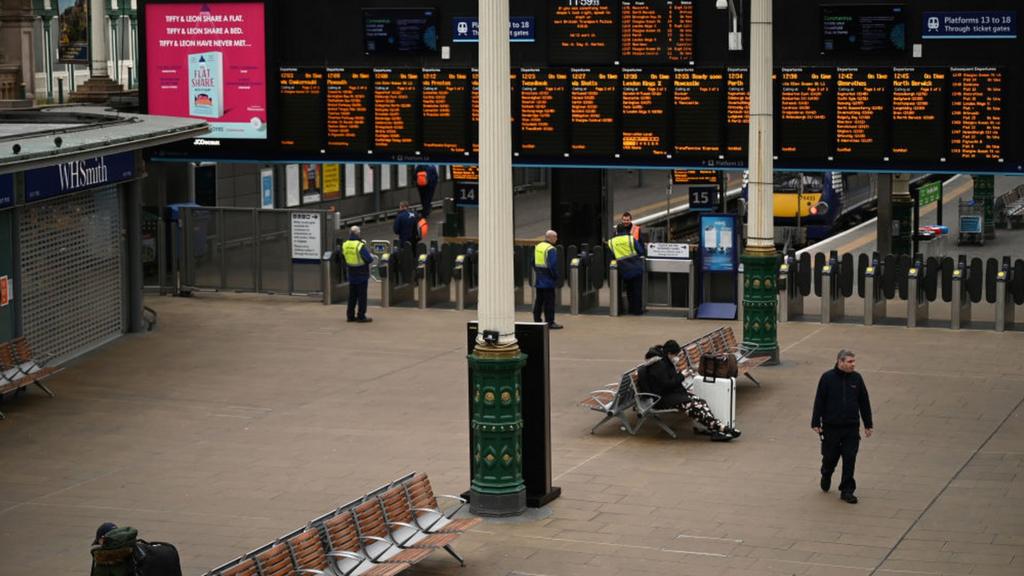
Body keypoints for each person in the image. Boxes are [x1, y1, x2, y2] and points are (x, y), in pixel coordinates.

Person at [641, 340, 741, 442]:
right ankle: (721, 428)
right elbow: (666, 385)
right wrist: (682, 376)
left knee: (701, 402)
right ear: (669, 353)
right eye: (676, 355)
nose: (677, 358)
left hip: (672, 394)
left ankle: (714, 429)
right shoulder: (658, 365)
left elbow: (670, 381)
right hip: (662, 399)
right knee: (694, 406)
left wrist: (680, 375)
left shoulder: (664, 361)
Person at [812, 349, 873, 504]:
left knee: (849, 458)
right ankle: (826, 473)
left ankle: (847, 490)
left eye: (854, 361)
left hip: (851, 427)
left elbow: (864, 401)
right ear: (840, 362)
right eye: (850, 362)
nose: (853, 364)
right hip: (831, 427)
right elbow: (819, 400)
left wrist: (868, 424)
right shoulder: (827, 378)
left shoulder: (857, 379)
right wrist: (815, 422)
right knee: (830, 458)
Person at [608, 225, 645, 315]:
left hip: (624, 269)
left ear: (616, 232)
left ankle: (631, 309)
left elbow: (612, 255)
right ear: (625, 230)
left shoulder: (611, 242)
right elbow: (640, 251)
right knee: (637, 290)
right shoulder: (630, 239)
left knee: (629, 290)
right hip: (636, 267)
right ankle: (637, 311)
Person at [342, 226, 374, 323]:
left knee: (352, 296)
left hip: (351, 273)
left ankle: (350, 315)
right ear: (358, 233)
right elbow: (369, 259)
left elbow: (344, 257)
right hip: (362, 274)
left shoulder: (345, 244)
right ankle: (361, 316)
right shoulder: (359, 245)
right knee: (362, 296)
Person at [533, 230, 562, 330]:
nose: (556, 239)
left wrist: (538, 271)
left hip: (539, 278)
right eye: (555, 237)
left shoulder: (538, 246)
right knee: (549, 302)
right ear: (550, 238)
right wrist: (556, 277)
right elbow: (552, 265)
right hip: (548, 280)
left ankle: (537, 320)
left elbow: (532, 261)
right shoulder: (551, 249)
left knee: (539, 301)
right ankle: (550, 322)